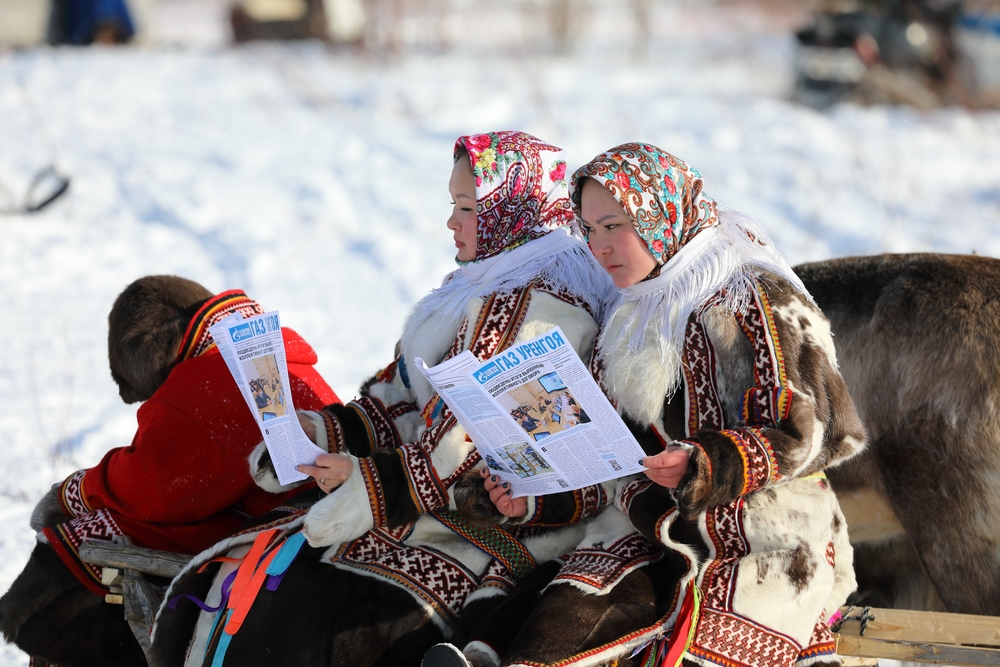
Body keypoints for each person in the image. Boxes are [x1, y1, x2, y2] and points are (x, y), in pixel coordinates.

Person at [150, 131, 616, 667]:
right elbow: (402, 395)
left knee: (323, 609)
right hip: (426, 504)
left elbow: (476, 444)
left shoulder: (544, 308)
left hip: (507, 522)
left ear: (509, 212)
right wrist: (322, 433)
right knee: (273, 571)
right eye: (453, 205)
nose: (451, 221)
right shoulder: (474, 287)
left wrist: (366, 486)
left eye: (467, 207)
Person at [435, 143, 867, 667]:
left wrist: (708, 463)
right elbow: (605, 461)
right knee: (555, 629)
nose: (599, 247)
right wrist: (528, 496)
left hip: (760, 532)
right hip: (646, 525)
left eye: (614, 225)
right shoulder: (628, 312)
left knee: (691, 649)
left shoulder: (753, 296)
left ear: (658, 215)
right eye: (589, 230)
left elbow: (824, 427)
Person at [0, 276, 339, 667]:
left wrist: (73, 493)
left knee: (80, 540)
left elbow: (152, 489)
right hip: (302, 527)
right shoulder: (264, 354)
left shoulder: (208, 382)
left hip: (278, 545)